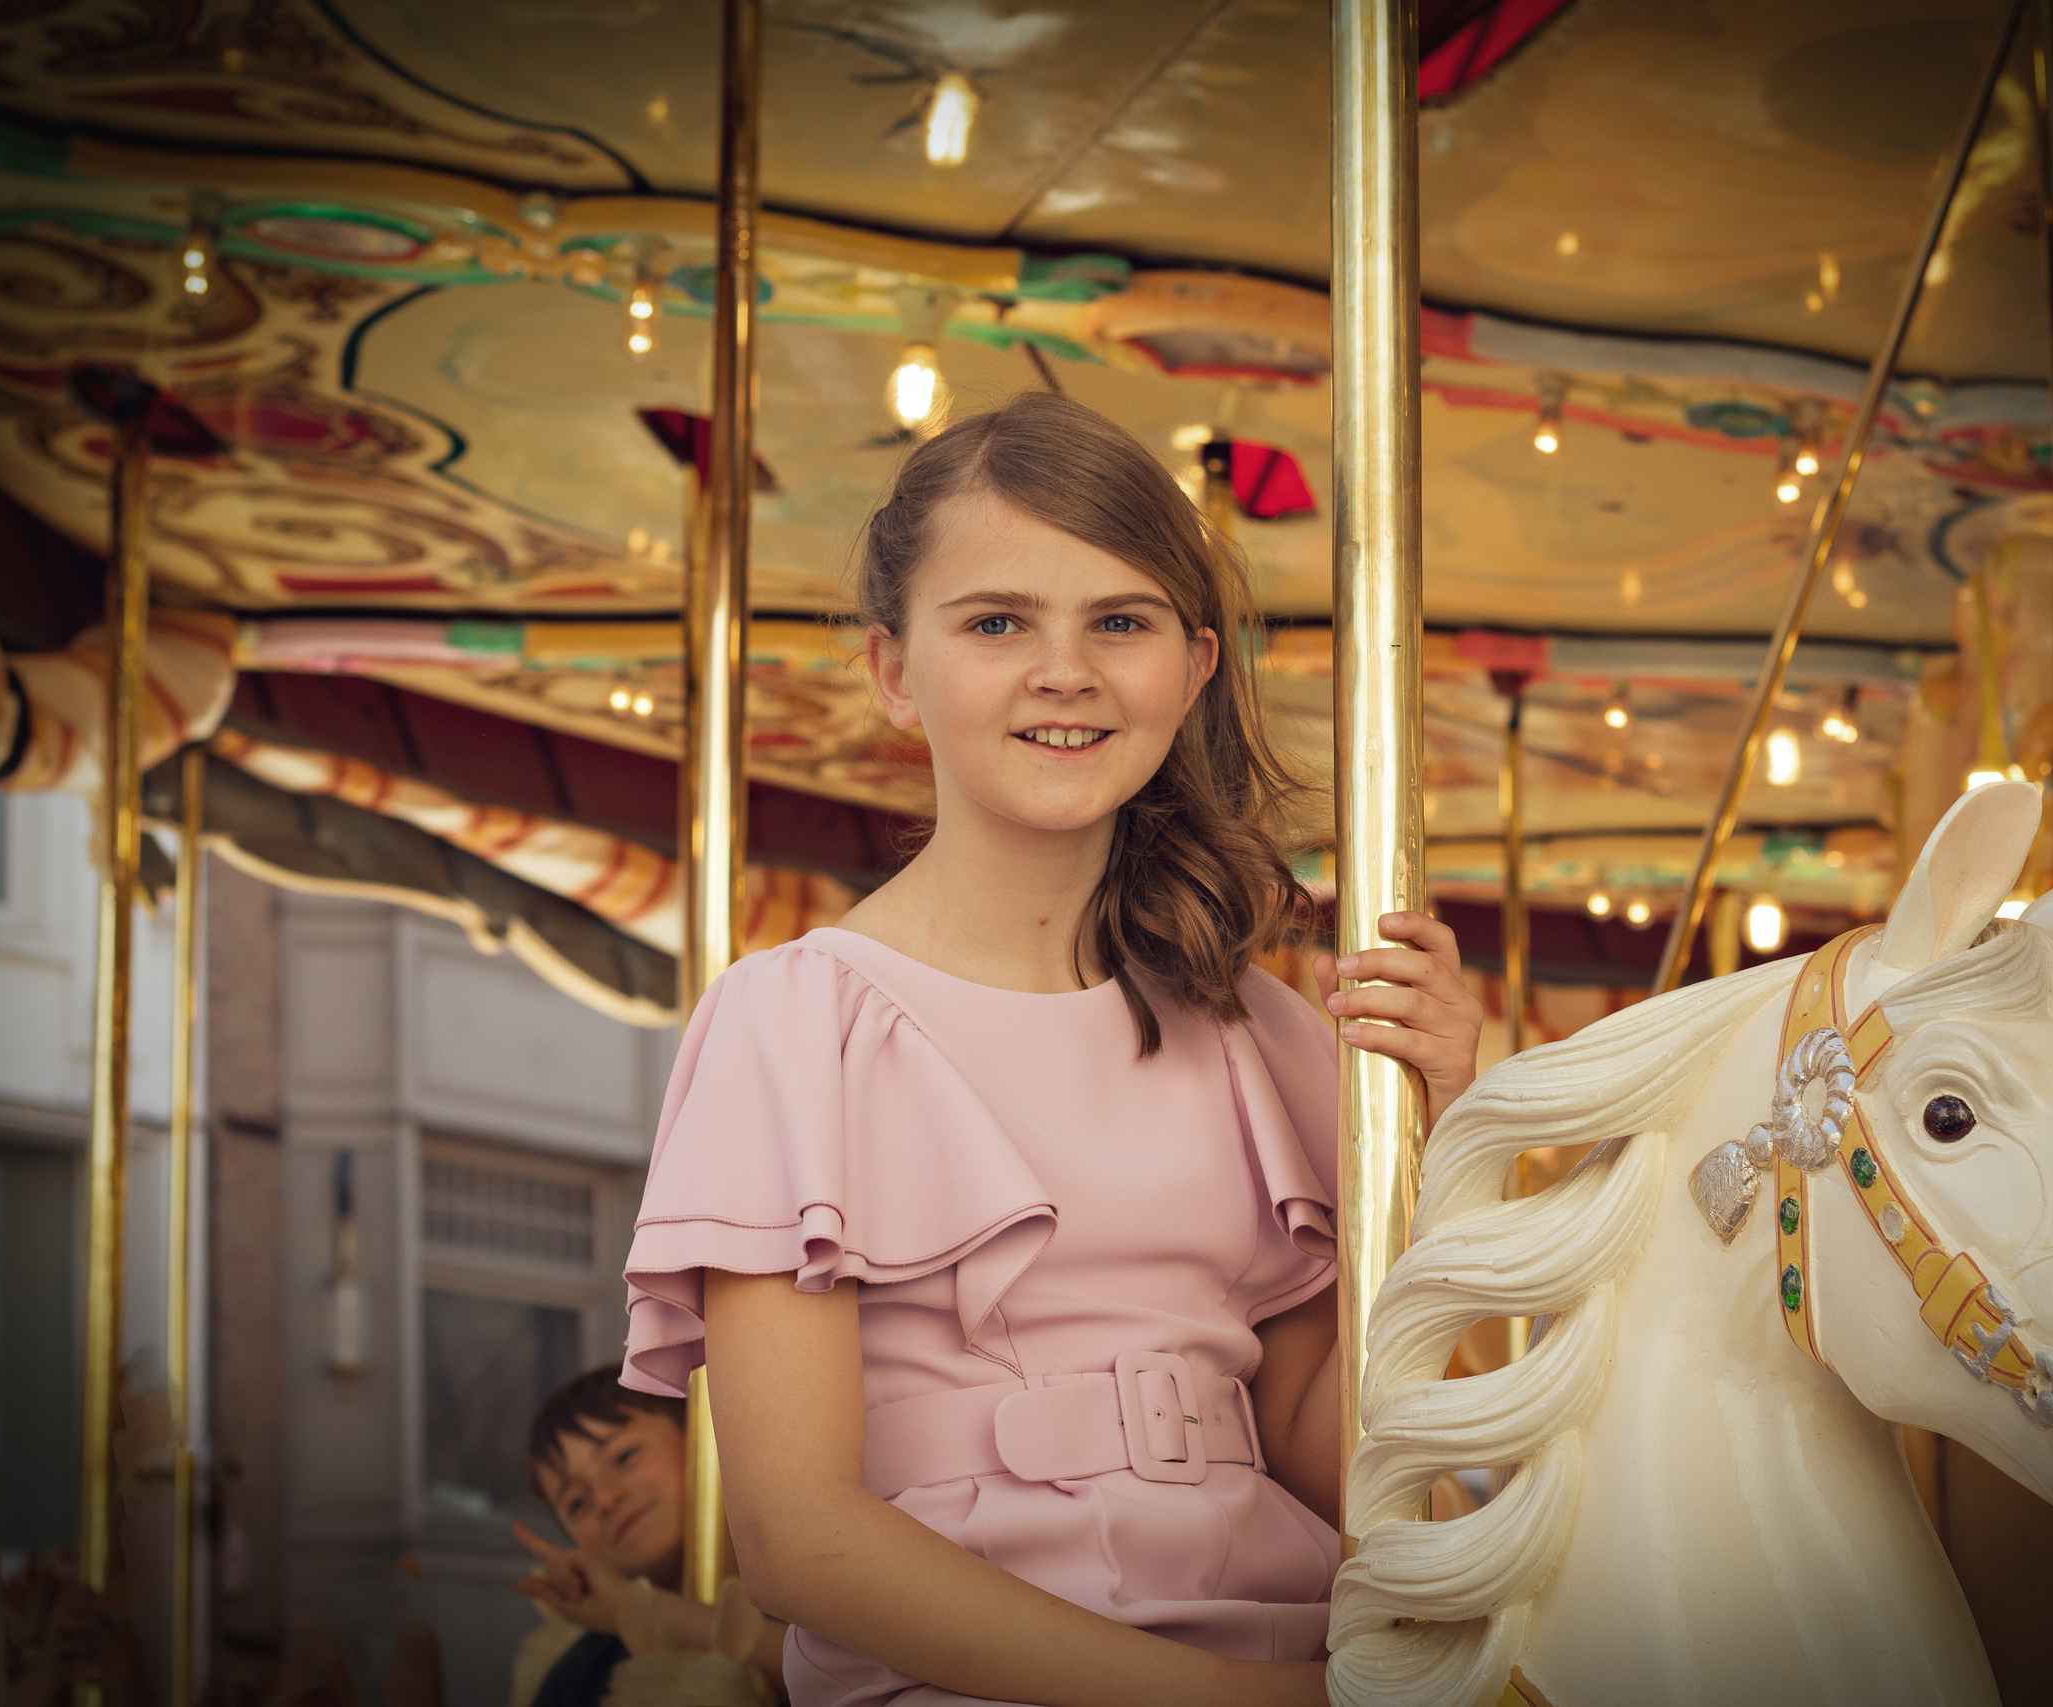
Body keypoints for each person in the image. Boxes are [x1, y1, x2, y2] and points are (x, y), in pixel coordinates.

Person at [622, 389, 1484, 1707]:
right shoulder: (796, 1020)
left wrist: (1442, 1147)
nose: (1065, 669)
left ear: (1193, 666)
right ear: (895, 669)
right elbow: (801, 1541)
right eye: (998, 622)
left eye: (1119, 621)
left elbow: (1335, 1459)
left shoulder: (1265, 1031)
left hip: (1286, 1631)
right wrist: (1228, 1701)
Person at [509, 1365, 785, 1707]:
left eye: (624, 1457)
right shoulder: (581, 1676)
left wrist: (632, 1608)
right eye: (577, 1503)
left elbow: (847, 1674)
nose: (607, 1498)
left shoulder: (801, 1592)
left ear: (699, 1438)